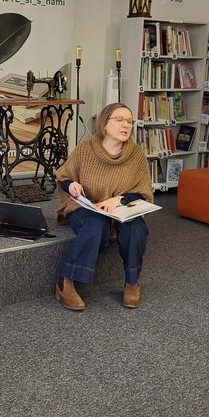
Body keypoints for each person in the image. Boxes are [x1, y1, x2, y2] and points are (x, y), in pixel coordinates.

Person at [54, 103, 153, 311]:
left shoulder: (136, 154)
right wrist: (71, 185)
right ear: (104, 124)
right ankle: (66, 280)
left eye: (129, 121)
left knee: (135, 227)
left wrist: (119, 200)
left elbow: (143, 190)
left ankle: (132, 282)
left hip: (120, 209)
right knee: (95, 223)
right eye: (119, 120)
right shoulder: (86, 149)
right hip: (87, 208)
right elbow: (63, 176)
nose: (126, 125)